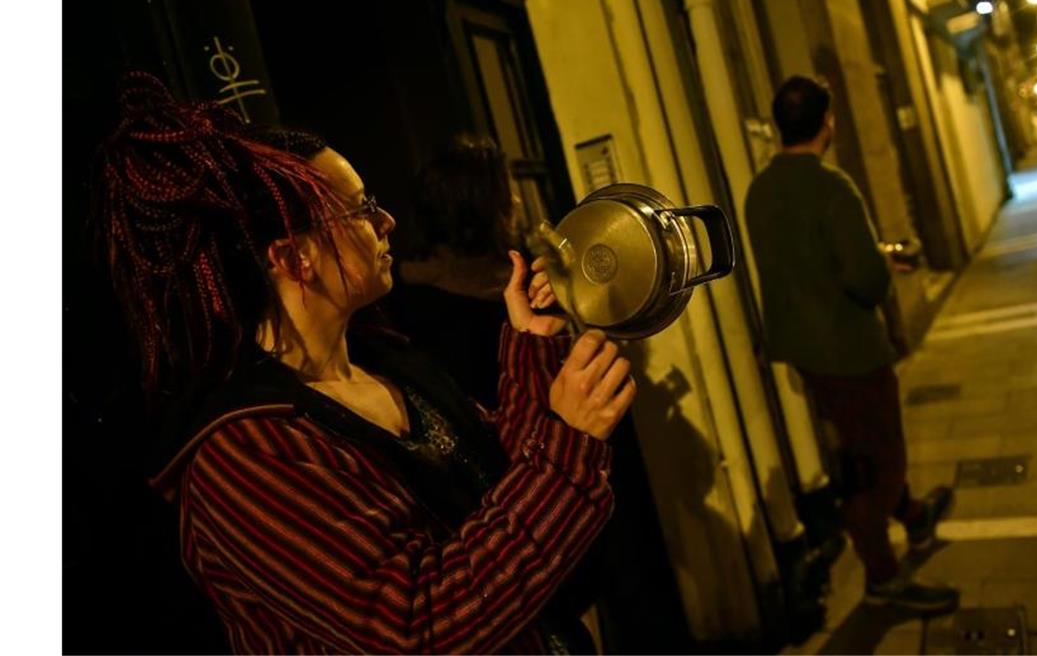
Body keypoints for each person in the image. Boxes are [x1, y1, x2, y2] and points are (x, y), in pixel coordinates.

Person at [93, 72, 636, 654]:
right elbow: (414, 628)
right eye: (360, 209)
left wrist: (531, 349)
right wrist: (569, 447)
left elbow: (503, 494)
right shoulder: (245, 452)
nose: (387, 222)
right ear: (294, 256)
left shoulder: (383, 365)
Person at [743, 75, 957, 614]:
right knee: (878, 460)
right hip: (851, 350)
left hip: (804, 353)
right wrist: (884, 263)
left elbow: (798, 263)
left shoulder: (760, 190)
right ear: (828, 122)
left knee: (856, 450)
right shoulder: (833, 186)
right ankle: (883, 573)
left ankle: (912, 516)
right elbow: (865, 279)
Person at [386, 134, 518, 411]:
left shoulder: (401, 289)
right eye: (507, 190)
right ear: (487, 204)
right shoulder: (396, 296)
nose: (516, 200)